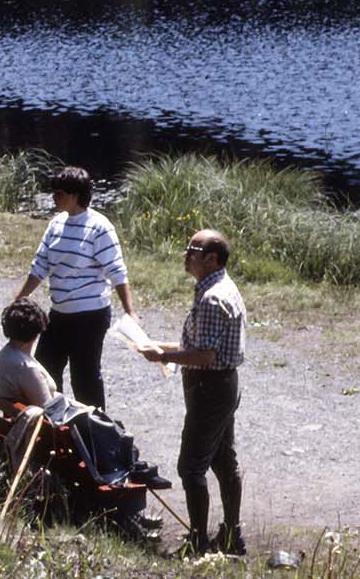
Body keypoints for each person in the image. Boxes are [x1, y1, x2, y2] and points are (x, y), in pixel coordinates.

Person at [144, 228, 247, 557]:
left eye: (193, 250)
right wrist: (156, 346)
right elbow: (199, 347)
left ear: (211, 258)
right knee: (221, 460)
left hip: (211, 389)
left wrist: (163, 356)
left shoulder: (212, 298)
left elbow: (205, 356)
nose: (186, 255)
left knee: (191, 467)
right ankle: (231, 536)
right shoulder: (216, 288)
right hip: (220, 386)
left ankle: (199, 541)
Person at [0, 298, 167, 490]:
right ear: (37, 332)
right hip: (47, 429)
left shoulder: (6, 355)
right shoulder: (26, 367)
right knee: (108, 426)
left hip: (19, 418)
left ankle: (135, 467)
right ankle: (132, 471)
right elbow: (50, 411)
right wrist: (87, 410)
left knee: (100, 418)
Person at [12, 166, 135, 410]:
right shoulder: (56, 224)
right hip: (59, 313)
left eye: (59, 194)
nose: (54, 198)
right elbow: (40, 266)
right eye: (53, 193)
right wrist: (20, 298)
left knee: (85, 377)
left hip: (91, 316)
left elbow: (117, 271)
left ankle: (94, 431)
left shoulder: (99, 227)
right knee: (45, 368)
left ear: (76, 195)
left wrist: (130, 311)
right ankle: (54, 422)